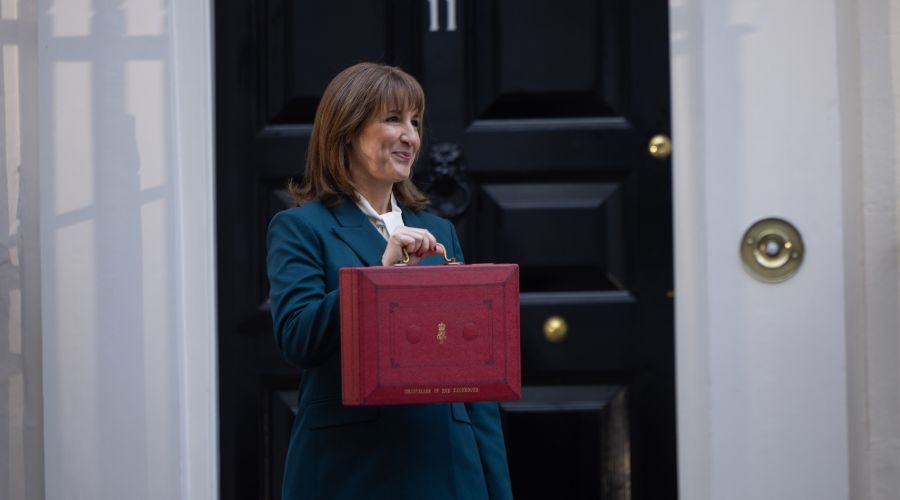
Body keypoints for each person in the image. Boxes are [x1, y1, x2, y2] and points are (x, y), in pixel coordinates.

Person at [266, 62, 514, 500]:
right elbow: (298, 339)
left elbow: (475, 373)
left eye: (415, 122)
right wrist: (379, 280)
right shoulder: (300, 228)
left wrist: (497, 488)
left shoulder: (439, 231)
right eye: (394, 119)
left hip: (449, 467)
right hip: (353, 470)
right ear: (347, 131)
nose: (410, 136)